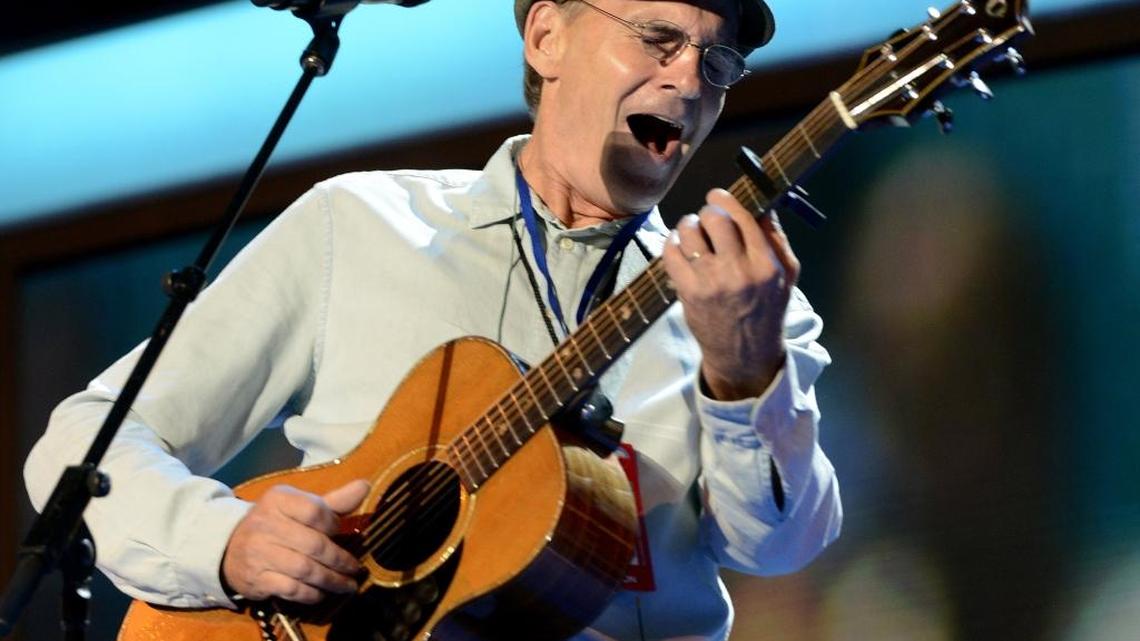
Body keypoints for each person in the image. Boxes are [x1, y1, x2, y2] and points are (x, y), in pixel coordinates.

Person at [25, 0, 842, 639]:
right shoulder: (358, 224)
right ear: (546, 38)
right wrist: (226, 544)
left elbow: (779, 546)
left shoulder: (751, 308)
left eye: (720, 59)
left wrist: (743, 372)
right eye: (658, 38)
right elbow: (84, 443)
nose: (692, 79)